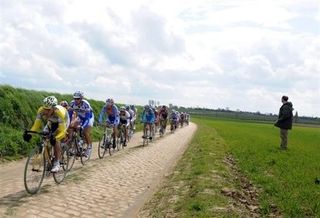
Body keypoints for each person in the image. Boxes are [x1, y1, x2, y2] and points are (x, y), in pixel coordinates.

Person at [23, 96, 70, 172]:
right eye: (44, 108)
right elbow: (36, 126)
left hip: (63, 121)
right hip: (51, 121)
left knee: (56, 140)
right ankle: (48, 160)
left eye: (48, 109)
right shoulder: (41, 111)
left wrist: (55, 138)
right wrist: (30, 134)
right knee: (45, 137)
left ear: (54, 108)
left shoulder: (59, 112)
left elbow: (62, 131)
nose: (45, 111)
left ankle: (57, 162)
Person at [69, 91, 94, 157]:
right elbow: (69, 116)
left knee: (85, 132)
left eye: (78, 99)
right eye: (75, 99)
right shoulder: (72, 103)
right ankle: (75, 143)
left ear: (81, 98)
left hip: (89, 118)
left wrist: (82, 126)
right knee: (71, 126)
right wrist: (69, 124)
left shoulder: (86, 104)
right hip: (80, 117)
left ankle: (89, 147)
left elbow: (87, 118)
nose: (76, 100)